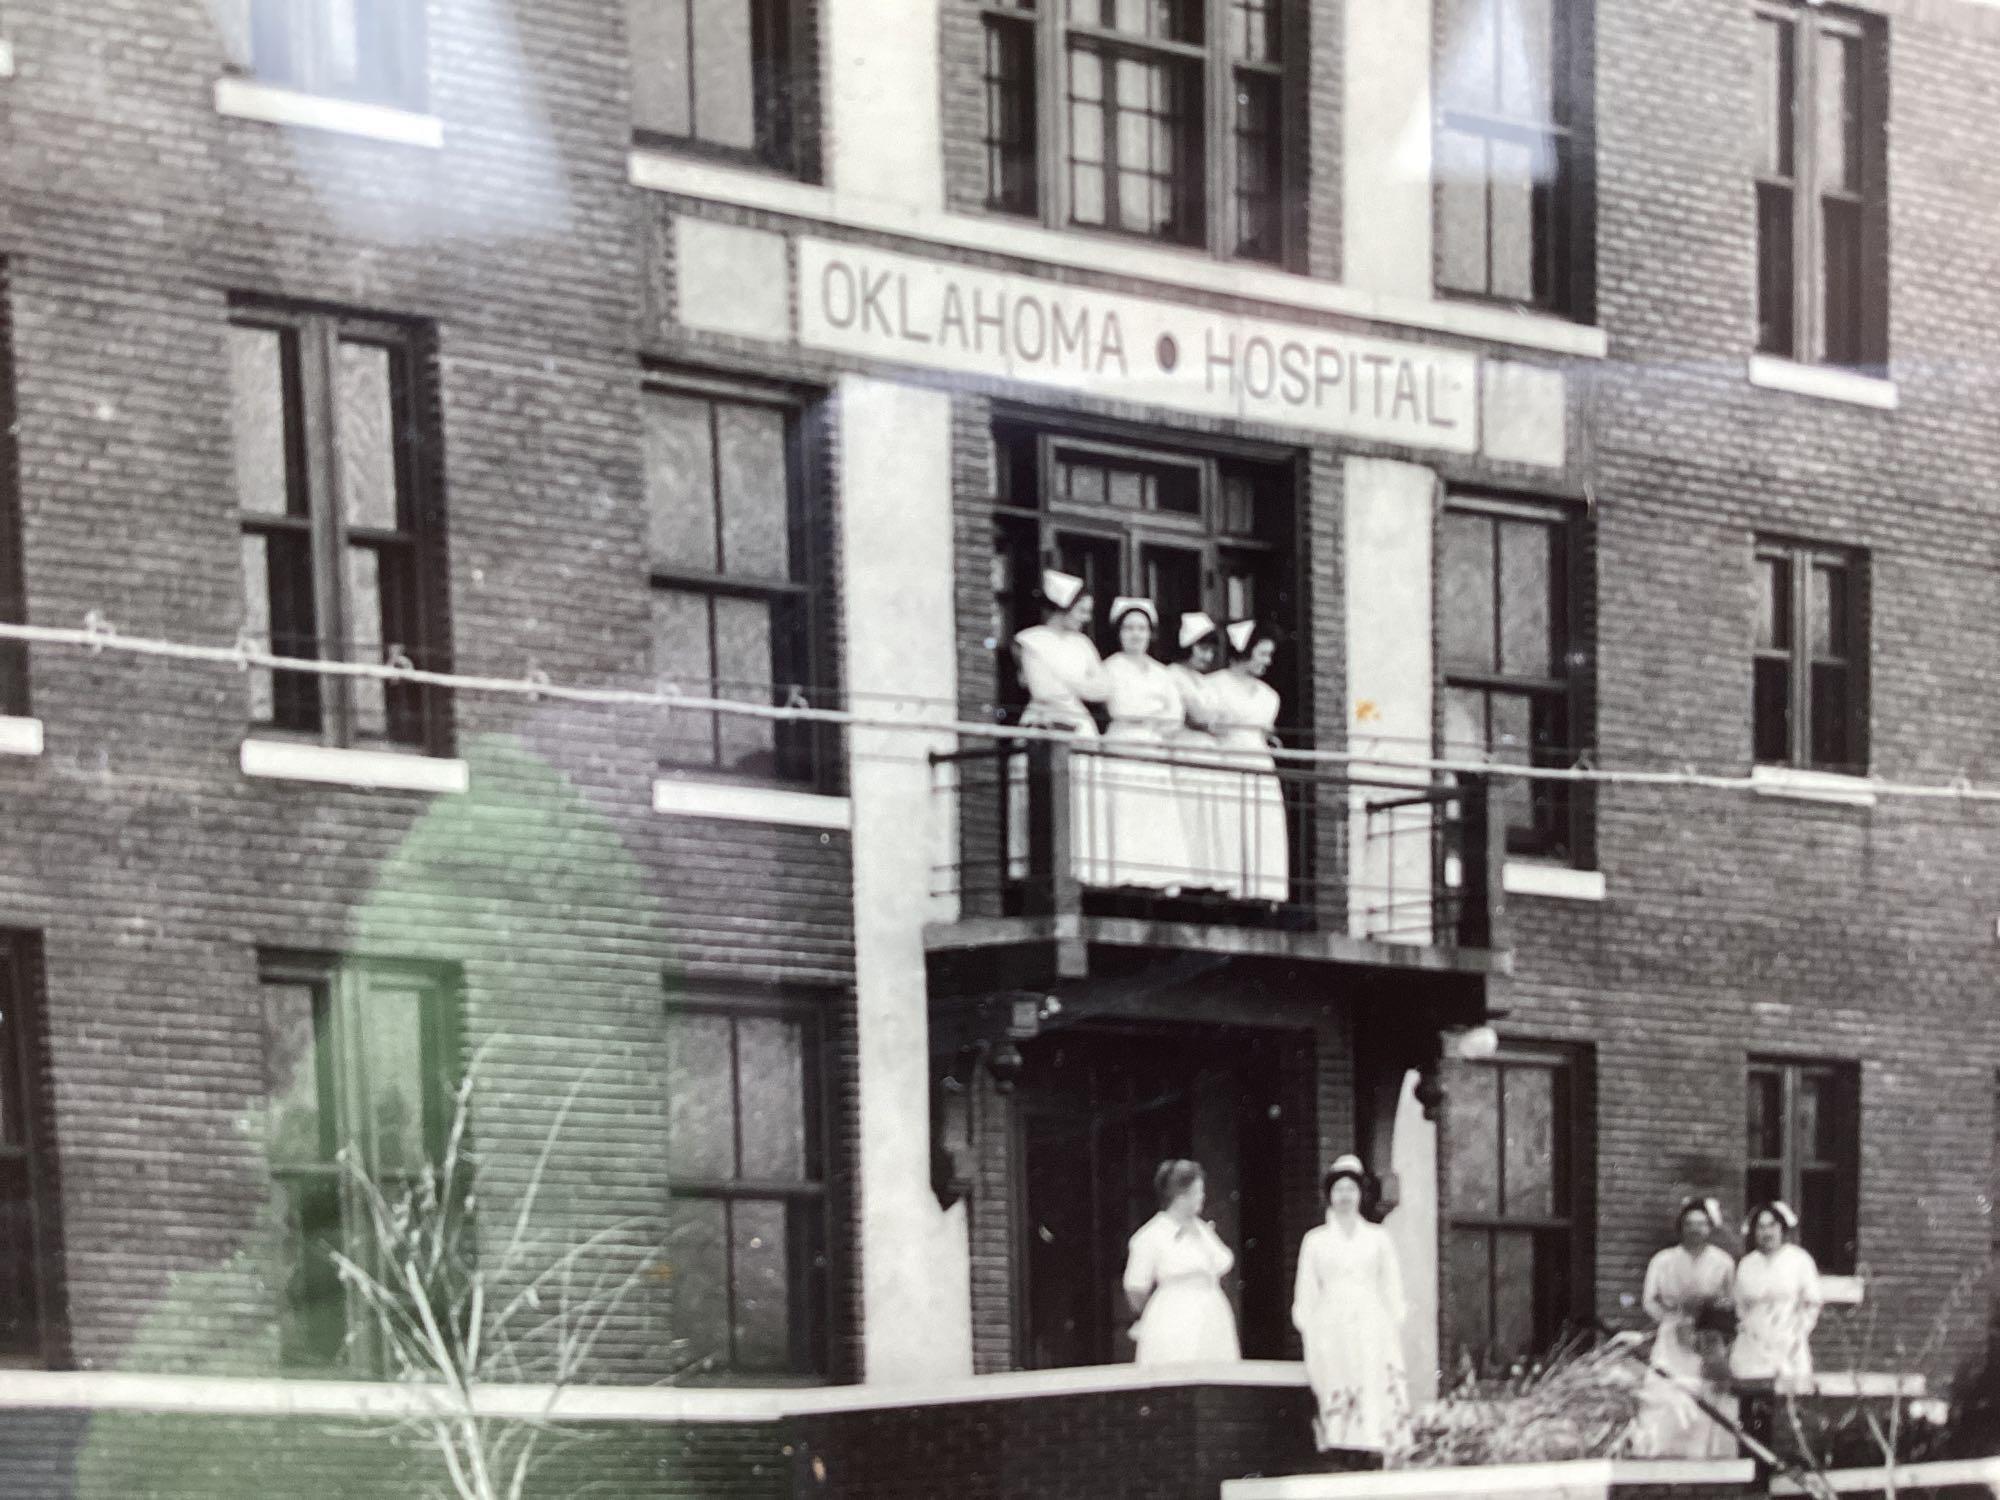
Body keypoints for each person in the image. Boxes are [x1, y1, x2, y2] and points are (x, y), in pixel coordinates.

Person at [1292, 1154, 1407, 1452]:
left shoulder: (1378, 1238)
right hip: (1331, 1324)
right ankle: (1340, 1447)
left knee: (1371, 1381)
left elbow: (1391, 1285)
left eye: (1351, 1190)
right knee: (1337, 1383)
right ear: (1329, 1195)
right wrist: (1310, 1327)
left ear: (1360, 1195)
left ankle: (1373, 1448)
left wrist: (1392, 1322)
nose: (1344, 1197)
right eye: (1338, 1190)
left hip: (1371, 1321)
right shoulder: (1315, 1240)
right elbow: (1306, 1290)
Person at [1008, 569, 1107, 882]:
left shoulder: (1083, 645)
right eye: (1080, 611)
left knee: (1083, 799)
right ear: (1063, 607)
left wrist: (1070, 683)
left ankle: (1084, 868)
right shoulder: (1031, 642)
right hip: (1045, 721)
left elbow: (1102, 689)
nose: (1084, 618)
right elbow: (1043, 690)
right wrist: (1079, 685)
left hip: (1080, 724)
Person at [1090, 598, 1192, 891]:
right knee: (1126, 810)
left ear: (1151, 633)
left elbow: (1174, 714)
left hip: (1152, 744)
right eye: (1129, 628)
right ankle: (1123, 876)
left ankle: (1158, 877)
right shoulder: (1110, 668)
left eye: (1142, 628)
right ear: (1119, 633)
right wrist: (1144, 714)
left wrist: (1155, 722)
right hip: (1122, 743)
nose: (1136, 634)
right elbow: (1115, 703)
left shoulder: (1161, 673)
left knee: (1154, 812)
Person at [1633, 1196, 1740, 1458]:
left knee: (1704, 1392)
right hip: (1672, 1337)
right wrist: (1673, 1319)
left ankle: (1702, 1452)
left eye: (1702, 1224)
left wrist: (1709, 1314)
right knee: (1667, 1389)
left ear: (1710, 1228)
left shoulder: (1723, 1262)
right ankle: (1661, 1451)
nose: (1695, 1230)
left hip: (1707, 1339)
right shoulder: (1663, 1260)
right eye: (1690, 1224)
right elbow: (1650, 1300)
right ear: (1681, 1227)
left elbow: (1731, 1302)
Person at [1121, 1159, 1241, 1367]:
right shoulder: (1151, 1235)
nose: (1202, 1197)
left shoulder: (1203, 1230)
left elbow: (1221, 1262)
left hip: (1211, 1318)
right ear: (1180, 1195)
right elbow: (1135, 1288)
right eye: (1198, 1191)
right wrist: (1160, 1313)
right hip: (1173, 1320)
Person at [1205, 620, 1288, 902]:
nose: (1267, 661)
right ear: (1245, 651)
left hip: (1259, 764)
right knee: (1230, 824)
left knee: (1261, 825)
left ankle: (1263, 890)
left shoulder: (1269, 696)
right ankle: (1229, 888)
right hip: (1226, 762)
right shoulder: (1214, 685)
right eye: (1262, 653)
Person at [1166, 612, 1230, 892]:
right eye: (1202, 648)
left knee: (1209, 816)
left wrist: (1212, 721)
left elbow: (1223, 718)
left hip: (1208, 756)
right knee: (1189, 813)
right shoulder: (1173, 676)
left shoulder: (1205, 681)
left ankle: (1209, 879)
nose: (1207, 656)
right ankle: (1189, 879)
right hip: (1186, 752)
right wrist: (1209, 722)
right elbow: (1198, 715)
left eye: (1211, 651)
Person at [1730, 1200, 1821, 1393]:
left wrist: (1799, 1332)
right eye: (1761, 1227)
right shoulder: (1747, 1264)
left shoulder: (1799, 1260)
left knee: (1788, 1401)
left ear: (1782, 1229)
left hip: (1788, 1342)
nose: (1766, 1233)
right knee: (1752, 1397)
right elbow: (1740, 1305)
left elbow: (1812, 1302)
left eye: (1772, 1226)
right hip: (1753, 1344)